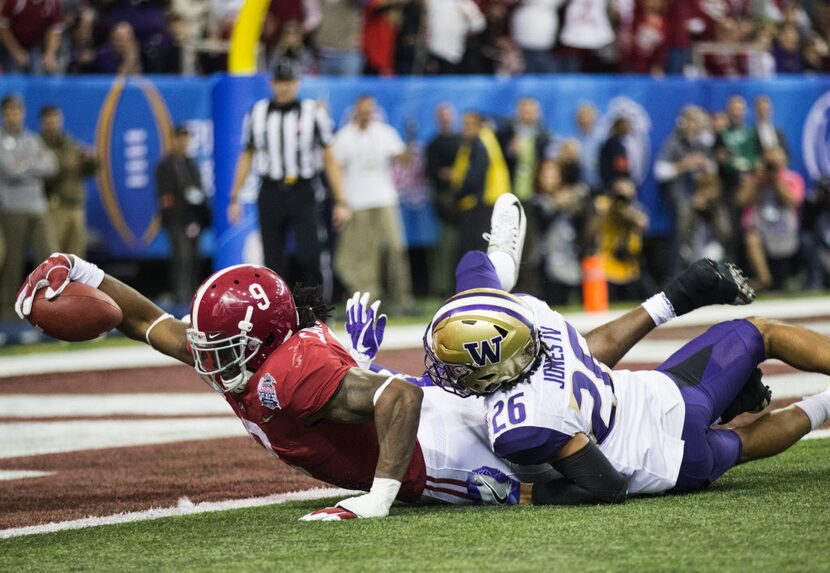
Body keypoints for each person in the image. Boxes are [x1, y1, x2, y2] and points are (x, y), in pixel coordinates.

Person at [15, 192, 756, 520]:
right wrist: (81, 274)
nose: (205, 356)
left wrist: (379, 494)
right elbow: (146, 318)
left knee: (549, 450)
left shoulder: (285, 372)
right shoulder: (237, 351)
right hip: (407, 397)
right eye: (209, 344)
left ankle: (504, 284)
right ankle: (499, 281)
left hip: (442, 452)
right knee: (525, 365)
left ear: (263, 341)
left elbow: (397, 402)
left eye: (222, 345)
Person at [415, 199, 830, 505]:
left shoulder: (518, 427)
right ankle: (739, 397)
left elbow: (606, 486)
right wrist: (498, 264)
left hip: (669, 460)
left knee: (742, 442)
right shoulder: (531, 314)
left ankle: (825, 405)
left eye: (459, 365)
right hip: (660, 393)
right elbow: (598, 349)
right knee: (763, 333)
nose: (447, 370)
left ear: (496, 365)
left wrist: (525, 494)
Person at [227, 59, 350, 303]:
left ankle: (316, 315)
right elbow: (247, 155)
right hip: (270, 190)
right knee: (272, 260)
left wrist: (341, 200)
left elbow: (329, 158)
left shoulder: (313, 112)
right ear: (272, 83)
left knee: (310, 255)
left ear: (297, 83)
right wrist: (234, 197)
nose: (284, 88)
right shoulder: (257, 113)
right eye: (280, 82)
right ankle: (276, 314)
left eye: (289, 82)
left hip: (303, 190)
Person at [332, 95, 414, 313]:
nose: (367, 114)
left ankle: (402, 299)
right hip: (356, 201)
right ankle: (368, 302)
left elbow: (403, 159)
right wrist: (341, 201)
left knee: (396, 248)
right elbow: (336, 170)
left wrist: (410, 143)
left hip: (384, 199)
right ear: (356, 111)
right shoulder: (344, 137)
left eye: (370, 110)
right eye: (363, 110)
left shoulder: (385, 133)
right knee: (362, 255)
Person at [0, 94, 57, 321]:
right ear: (4, 114)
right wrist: (34, 162)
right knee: (13, 263)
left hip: (38, 207)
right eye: (10, 111)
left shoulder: (33, 138)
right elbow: (10, 170)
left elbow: (51, 166)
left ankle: (49, 307)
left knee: (49, 258)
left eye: (18, 111)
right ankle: (6, 312)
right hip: (12, 209)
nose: (15, 115)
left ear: (23, 113)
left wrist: (25, 163)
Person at [155, 125, 210, 306]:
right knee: (182, 258)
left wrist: (197, 217)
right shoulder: (165, 165)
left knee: (194, 258)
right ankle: (181, 298)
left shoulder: (191, 163)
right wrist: (172, 217)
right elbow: (165, 196)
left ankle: (194, 296)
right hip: (176, 220)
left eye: (187, 139)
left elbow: (199, 192)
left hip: (193, 219)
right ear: (174, 139)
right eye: (181, 139)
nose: (184, 143)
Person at [450, 111, 510, 268]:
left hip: (481, 205)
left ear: (480, 125)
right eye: (464, 124)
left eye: (470, 124)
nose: (465, 128)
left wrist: (457, 196)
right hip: (487, 203)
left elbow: (475, 176)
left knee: (474, 252)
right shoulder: (486, 140)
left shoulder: (480, 143)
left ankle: (473, 288)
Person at [40, 105, 98, 258]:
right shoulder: (38, 144)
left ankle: (72, 284)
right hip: (55, 206)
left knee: (77, 259)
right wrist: (64, 165)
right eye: (49, 119)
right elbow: (41, 175)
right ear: (43, 122)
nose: (53, 122)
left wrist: (91, 160)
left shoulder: (70, 142)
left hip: (77, 207)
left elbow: (90, 172)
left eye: (56, 118)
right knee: (55, 257)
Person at [0, 0, 63, 74]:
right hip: (9, 46)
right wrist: (15, 51)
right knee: (13, 73)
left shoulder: (52, 3)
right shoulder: (15, 2)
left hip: (33, 45)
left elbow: (55, 29)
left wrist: (50, 52)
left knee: (38, 72)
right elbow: (3, 26)